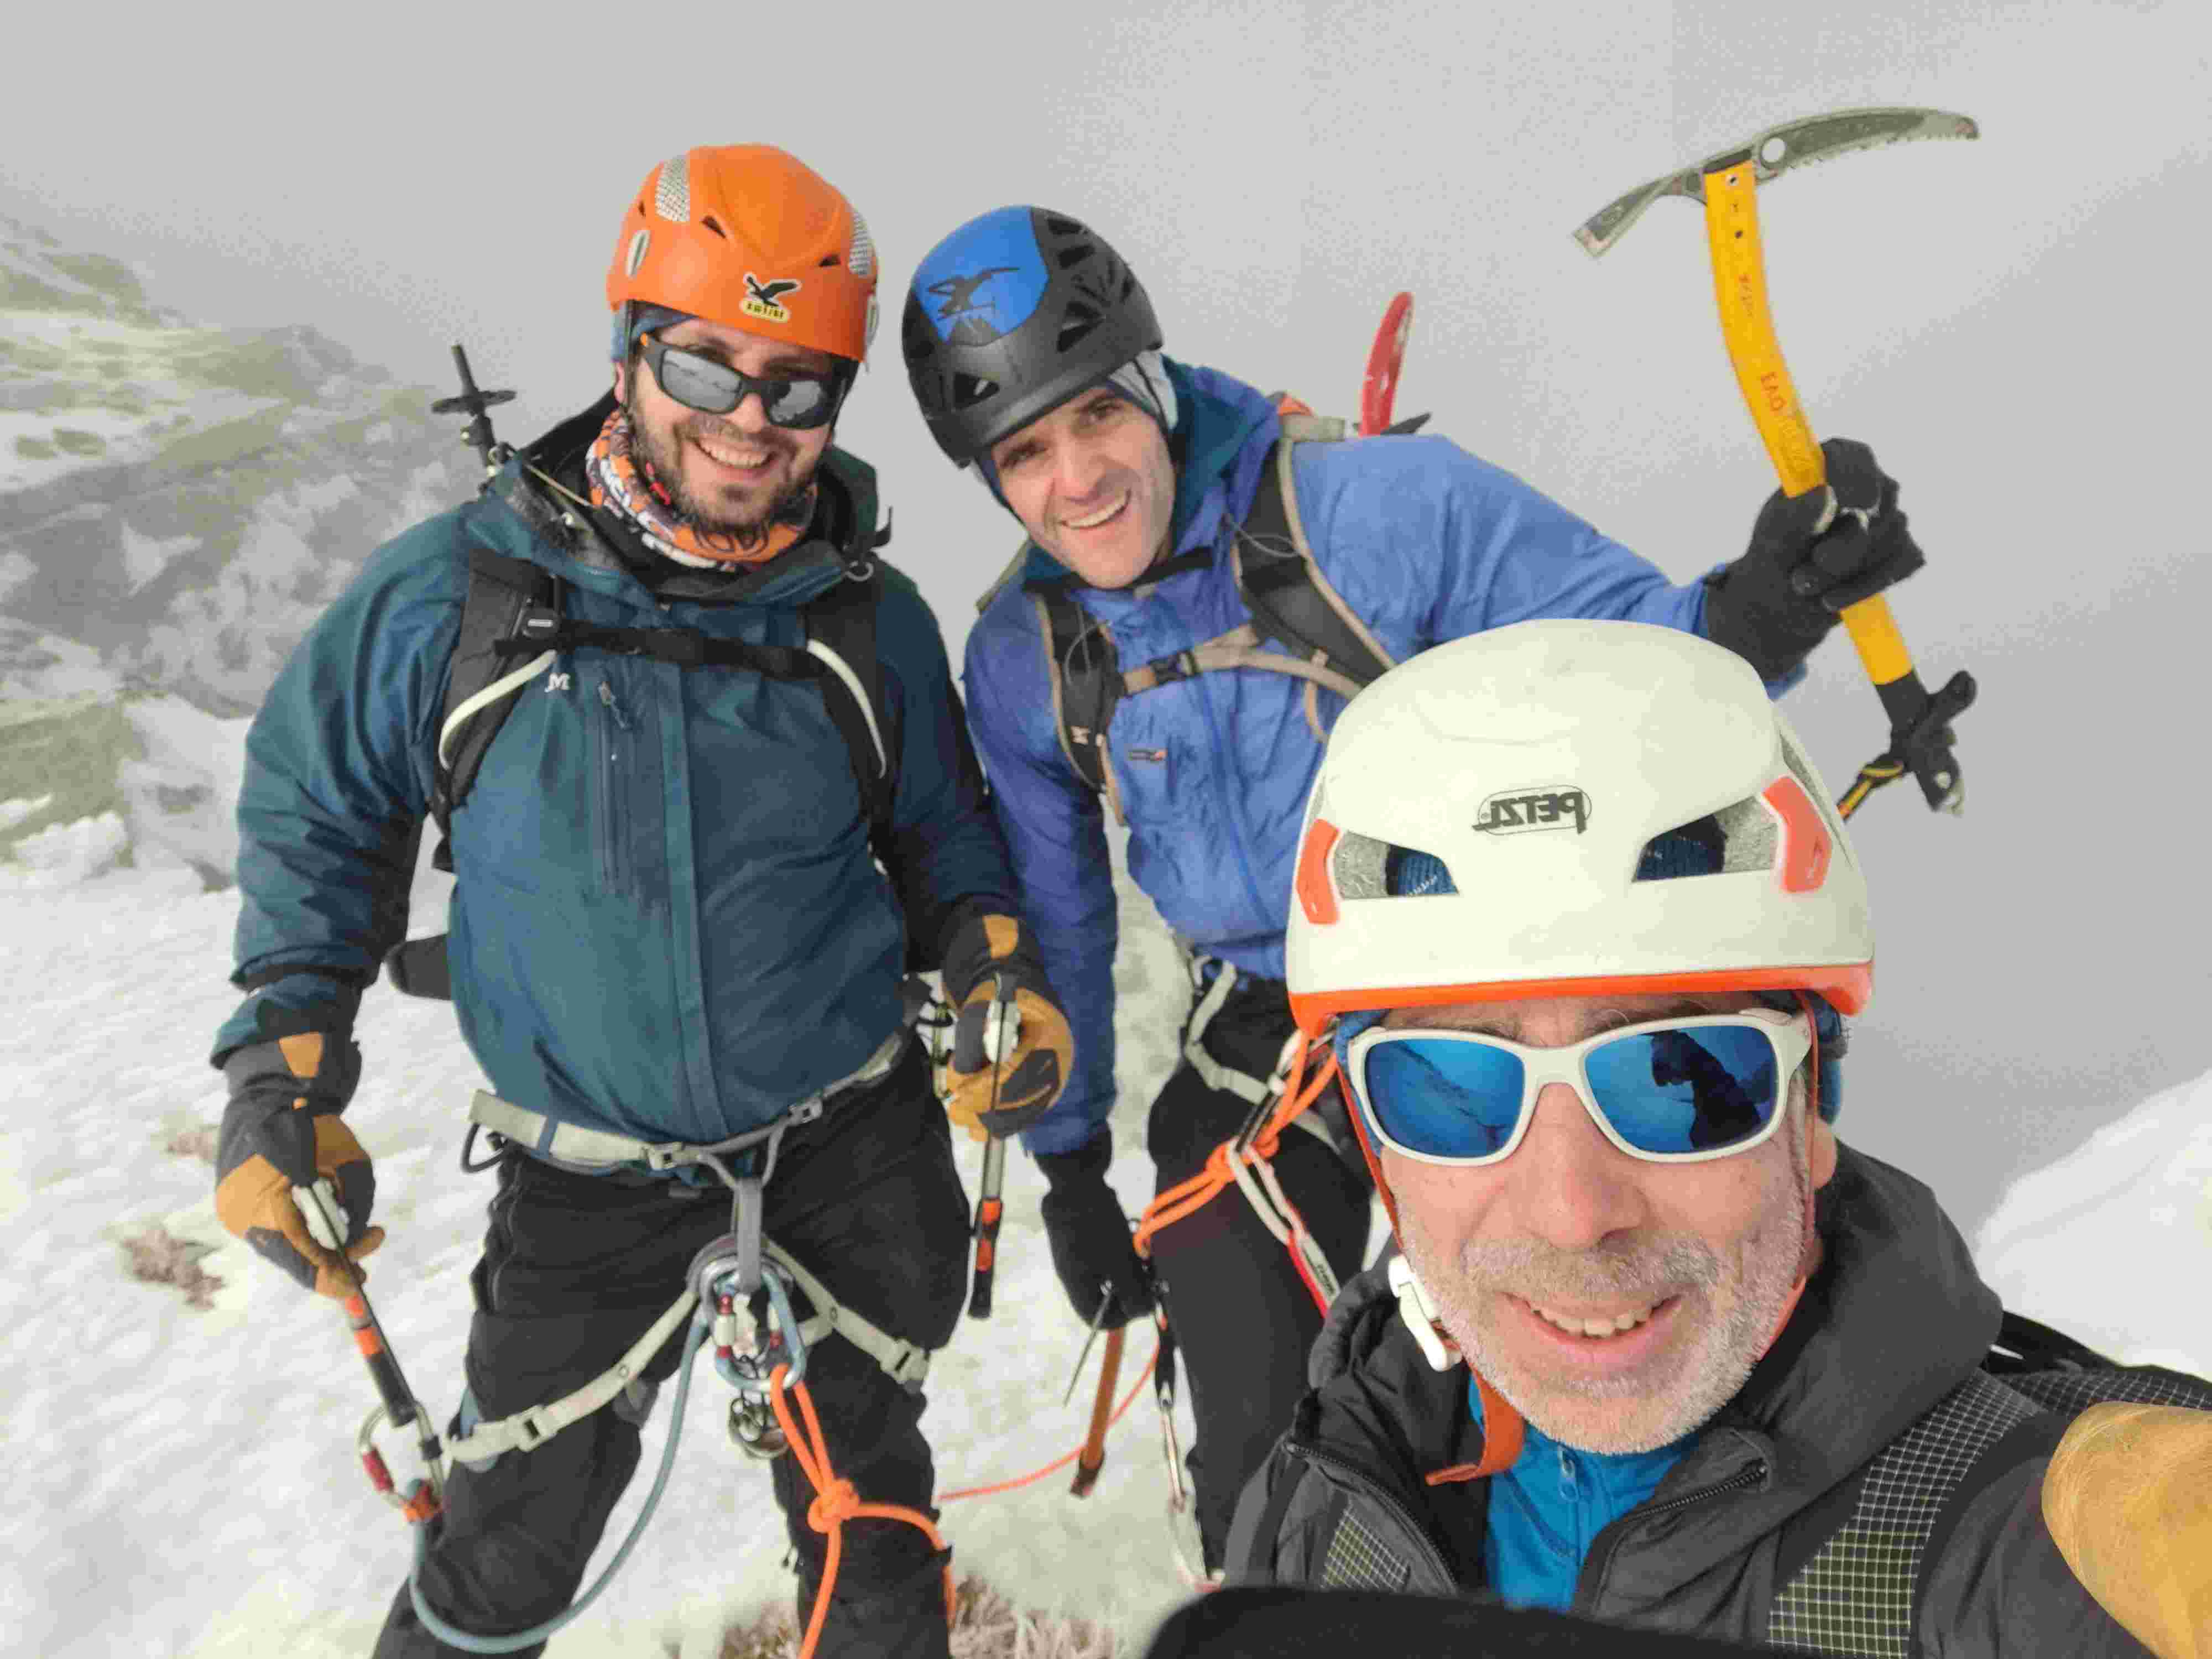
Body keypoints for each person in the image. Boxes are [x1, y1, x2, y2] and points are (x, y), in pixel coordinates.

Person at [897, 204, 1928, 1573]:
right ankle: (1286, 1595)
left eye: (1096, 418)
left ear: (1151, 382)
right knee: (1239, 1345)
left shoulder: (1371, 508)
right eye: (1024, 453)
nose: (1076, 479)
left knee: (1594, 1282)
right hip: (1271, 1023)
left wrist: (1760, 608)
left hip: (1490, 970)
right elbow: (1061, 907)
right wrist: (1072, 1160)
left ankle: (1697, 1564)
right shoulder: (1027, 658)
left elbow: (1615, 654)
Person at [211, 144, 1073, 1659]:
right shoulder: (457, 599)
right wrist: (282, 1069)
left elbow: (944, 835)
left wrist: (991, 965)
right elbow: (322, 810)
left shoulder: (867, 622)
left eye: (799, 385)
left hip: (847, 1148)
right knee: (500, 1572)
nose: (752, 421)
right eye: (708, 363)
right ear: (629, 348)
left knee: (873, 1549)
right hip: (587, 1177)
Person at [1222, 618, 2211, 1654]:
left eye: (1681, 1080)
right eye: (1452, 1094)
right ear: (1378, 1146)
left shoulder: (2028, 1548)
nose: (1572, 1217)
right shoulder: (1324, 1507)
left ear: (1811, 1111)